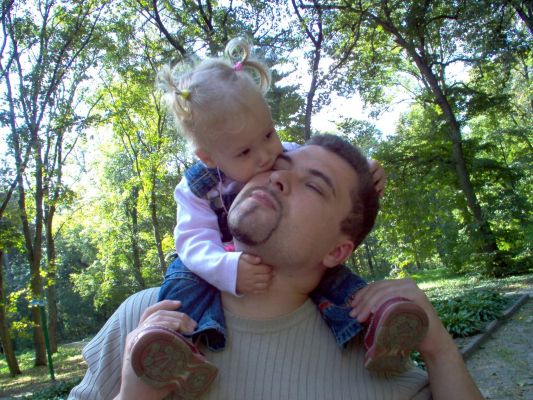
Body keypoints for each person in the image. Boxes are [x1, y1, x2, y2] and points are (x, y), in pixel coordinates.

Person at [69, 135, 483, 400]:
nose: (278, 179)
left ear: (337, 251)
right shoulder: (148, 320)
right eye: (276, 167)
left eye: (314, 185)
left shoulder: (373, 345)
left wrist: (440, 351)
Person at [129, 37, 428, 395]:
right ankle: (176, 348)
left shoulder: (278, 153)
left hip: (282, 269)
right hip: (213, 261)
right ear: (209, 157)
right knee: (182, 288)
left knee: (338, 281)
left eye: (269, 134)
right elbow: (192, 242)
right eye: (244, 152)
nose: (266, 157)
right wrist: (227, 269)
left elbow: (324, 168)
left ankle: (378, 328)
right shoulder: (196, 187)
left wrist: (365, 170)